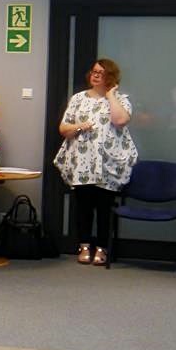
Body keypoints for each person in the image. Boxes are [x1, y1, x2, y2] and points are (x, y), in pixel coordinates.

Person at [54, 58, 137, 266]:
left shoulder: (121, 99)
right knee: (83, 205)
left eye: (101, 72)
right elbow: (64, 129)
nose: (96, 75)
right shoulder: (78, 98)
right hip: (82, 160)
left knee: (104, 207)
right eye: (94, 71)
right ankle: (83, 245)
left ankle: (102, 247)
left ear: (111, 77)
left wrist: (110, 95)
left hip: (109, 163)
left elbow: (120, 121)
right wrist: (80, 126)